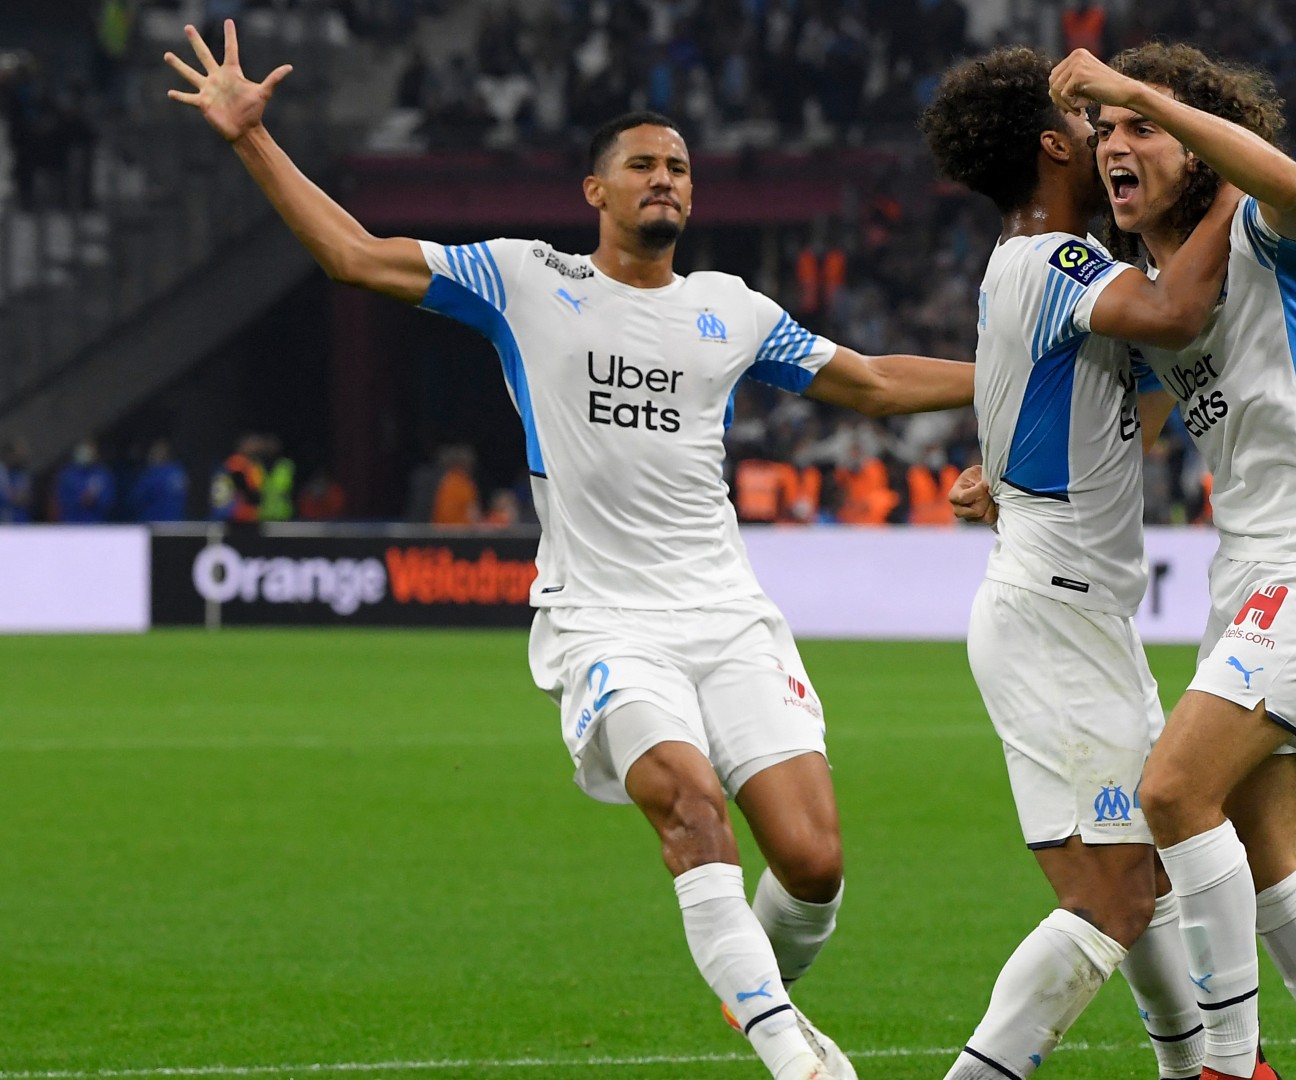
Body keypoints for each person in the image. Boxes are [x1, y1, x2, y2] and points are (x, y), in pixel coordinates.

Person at [166, 22, 974, 1080]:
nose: (664, 179)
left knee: (814, 864)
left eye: (679, 166)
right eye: (641, 164)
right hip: (605, 619)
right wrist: (249, 141)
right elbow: (355, 256)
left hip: (728, 614)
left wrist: (1007, 368)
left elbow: (869, 381)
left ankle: (757, 997)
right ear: (594, 191)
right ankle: (794, 1055)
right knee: (687, 801)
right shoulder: (524, 280)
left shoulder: (730, 311)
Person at [1051, 44, 1296, 1080]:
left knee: (1171, 793)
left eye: (1141, 130)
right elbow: (1142, 422)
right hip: (1254, 570)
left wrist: (1134, 88)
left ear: (1200, 148)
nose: (1115, 146)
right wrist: (1012, 475)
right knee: (1261, 850)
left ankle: (1229, 1064)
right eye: (1105, 136)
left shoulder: (1271, 231)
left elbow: (1295, 184)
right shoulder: (1169, 294)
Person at [921, 46, 1242, 1080]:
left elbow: (1129, 409)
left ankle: (1190, 1070)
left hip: (1075, 612)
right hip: (1053, 614)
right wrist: (1239, 176)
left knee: (1149, 874)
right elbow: (1175, 315)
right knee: (1110, 898)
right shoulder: (1055, 261)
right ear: (1055, 144)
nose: (1107, 140)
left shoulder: (1041, 268)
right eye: (1090, 123)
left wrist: (995, 479)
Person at [54, 439, 116, 523]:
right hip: (71, 523)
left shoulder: (102, 474)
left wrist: (95, 502)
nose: (85, 454)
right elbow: (61, 498)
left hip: (96, 523)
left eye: (89, 452)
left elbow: (109, 499)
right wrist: (79, 501)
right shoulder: (67, 474)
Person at [129, 439, 190, 522]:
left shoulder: (154, 474)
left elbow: (136, 499)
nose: (152, 455)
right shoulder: (180, 471)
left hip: (156, 524)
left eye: (155, 452)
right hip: (176, 524)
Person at [0, 438, 33, 523]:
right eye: (18, 455)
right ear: (9, 454)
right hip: (4, 520)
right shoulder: (2, 472)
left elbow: (26, 496)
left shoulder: (22, 473)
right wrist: (11, 498)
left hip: (21, 521)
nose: (21, 458)